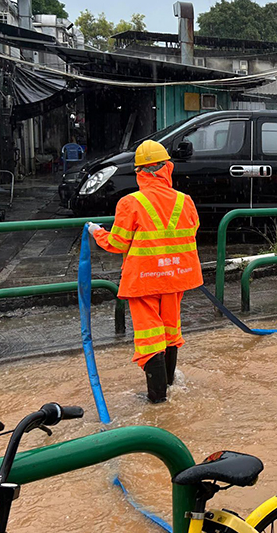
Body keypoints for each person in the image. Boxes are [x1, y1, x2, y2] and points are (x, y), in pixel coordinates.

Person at [86, 140, 202, 404]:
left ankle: (157, 400)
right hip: (176, 278)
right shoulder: (186, 201)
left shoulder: (130, 203)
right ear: (167, 168)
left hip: (145, 281)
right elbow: (189, 232)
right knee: (171, 331)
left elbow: (117, 244)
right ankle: (169, 387)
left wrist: (96, 231)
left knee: (150, 338)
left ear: (140, 173)